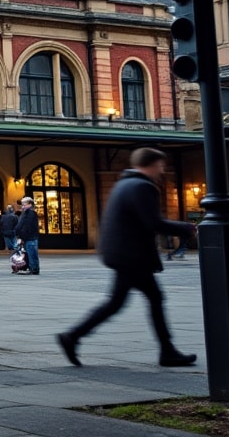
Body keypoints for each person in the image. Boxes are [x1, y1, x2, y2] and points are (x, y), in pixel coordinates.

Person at [57, 147, 198, 368]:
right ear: (151, 165)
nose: (162, 170)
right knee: (150, 299)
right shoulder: (142, 186)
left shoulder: (124, 184)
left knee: (121, 301)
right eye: (160, 165)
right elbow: (153, 223)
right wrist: (187, 228)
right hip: (132, 254)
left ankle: (73, 336)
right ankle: (167, 351)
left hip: (121, 252)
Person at [16, 198, 40, 274]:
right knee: (30, 253)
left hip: (30, 237)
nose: (22, 206)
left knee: (32, 253)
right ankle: (32, 268)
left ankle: (34, 269)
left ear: (30, 204)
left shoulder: (30, 213)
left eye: (24, 204)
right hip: (28, 237)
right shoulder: (25, 213)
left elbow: (27, 226)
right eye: (22, 204)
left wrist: (21, 237)